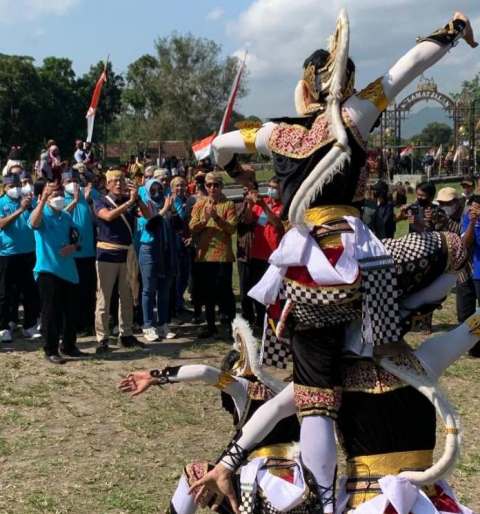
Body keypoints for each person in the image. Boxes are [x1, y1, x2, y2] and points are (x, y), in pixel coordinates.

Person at [209, 9, 477, 511]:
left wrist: (226, 162)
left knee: (314, 396)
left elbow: (220, 147)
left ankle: (323, 496)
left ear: (303, 87)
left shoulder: (276, 133)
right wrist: (452, 31)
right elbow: (407, 68)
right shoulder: (354, 116)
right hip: (362, 265)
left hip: (306, 278)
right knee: (449, 251)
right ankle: (408, 316)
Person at [119, 317, 308, 514]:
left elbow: (204, 371)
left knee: (195, 473)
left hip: (266, 489)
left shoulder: (243, 388)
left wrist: (156, 376)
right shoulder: (281, 393)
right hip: (304, 488)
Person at [29, 182, 86, 364]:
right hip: (47, 270)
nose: (59, 197)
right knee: (51, 312)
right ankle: (51, 349)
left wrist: (73, 246)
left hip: (68, 271)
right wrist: (43, 199)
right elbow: (34, 223)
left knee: (71, 311)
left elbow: (78, 238)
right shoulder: (42, 213)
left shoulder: (66, 216)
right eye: (54, 194)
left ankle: (69, 345)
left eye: (61, 193)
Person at [94, 169, 150, 353]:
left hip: (126, 254)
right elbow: (108, 216)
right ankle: (102, 338)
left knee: (127, 297)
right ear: (108, 184)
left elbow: (149, 216)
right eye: (115, 181)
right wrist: (129, 202)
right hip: (107, 254)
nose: (119, 184)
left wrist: (138, 199)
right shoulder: (100, 200)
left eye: (121, 181)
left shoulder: (130, 201)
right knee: (104, 298)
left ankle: (126, 334)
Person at [189, 172, 237, 338]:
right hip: (204, 255)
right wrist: (204, 220)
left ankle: (232, 327)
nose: (212, 188)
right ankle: (210, 326)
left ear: (221, 186)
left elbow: (232, 228)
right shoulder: (200, 204)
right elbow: (192, 227)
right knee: (207, 292)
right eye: (209, 185)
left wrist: (216, 218)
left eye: (216, 185)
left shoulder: (229, 204)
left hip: (223, 255)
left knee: (226, 292)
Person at [238, 178, 284, 330]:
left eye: (275, 188)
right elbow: (248, 219)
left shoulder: (283, 206)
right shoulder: (261, 203)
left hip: (273, 256)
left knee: (271, 293)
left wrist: (264, 206)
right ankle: (256, 321)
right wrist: (250, 204)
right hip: (256, 254)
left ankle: (270, 323)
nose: (271, 190)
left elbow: (277, 223)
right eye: (269, 187)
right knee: (256, 290)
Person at [0, 174, 40, 342]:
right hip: (8, 254)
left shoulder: (27, 200)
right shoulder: (2, 203)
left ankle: (30, 325)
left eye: (18, 184)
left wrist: (29, 206)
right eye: (12, 185)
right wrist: (20, 210)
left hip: (29, 252)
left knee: (30, 290)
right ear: (5, 187)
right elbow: (2, 224)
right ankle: (4, 327)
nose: (16, 188)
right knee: (5, 293)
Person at [137, 178, 177, 342]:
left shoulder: (166, 206)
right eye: (152, 190)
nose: (157, 193)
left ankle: (163, 324)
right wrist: (164, 209)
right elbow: (151, 225)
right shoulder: (144, 207)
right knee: (149, 289)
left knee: (164, 290)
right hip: (149, 250)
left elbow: (178, 226)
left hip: (166, 250)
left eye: (159, 189)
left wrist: (171, 210)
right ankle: (148, 325)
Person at [63, 169, 97, 336]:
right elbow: (60, 217)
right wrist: (75, 201)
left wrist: (89, 200)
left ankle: (88, 323)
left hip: (88, 253)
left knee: (88, 292)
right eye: (69, 181)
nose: (73, 184)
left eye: (75, 180)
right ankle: (74, 325)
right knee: (72, 294)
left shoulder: (88, 195)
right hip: (71, 255)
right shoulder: (60, 199)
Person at [170, 176, 195, 314]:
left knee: (185, 273)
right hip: (175, 241)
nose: (180, 188)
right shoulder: (169, 202)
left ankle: (179, 302)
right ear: (172, 187)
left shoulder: (189, 200)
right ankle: (175, 305)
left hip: (187, 241)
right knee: (177, 274)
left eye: (183, 185)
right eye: (177, 186)